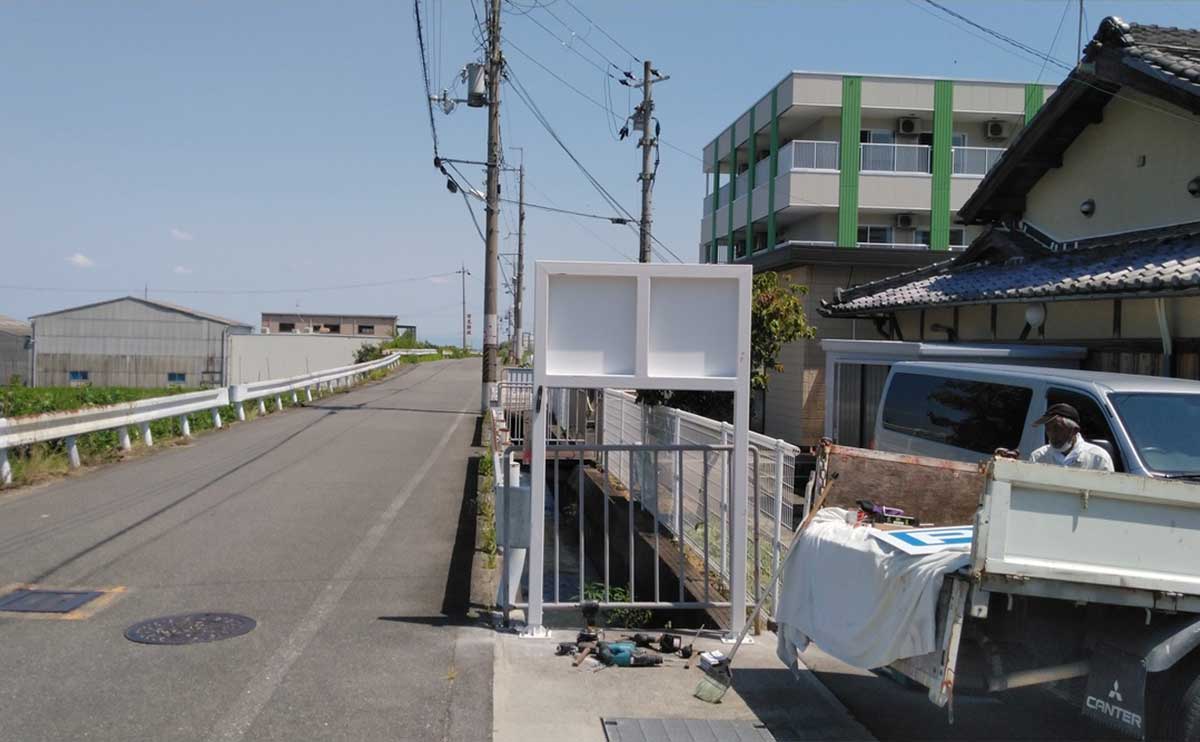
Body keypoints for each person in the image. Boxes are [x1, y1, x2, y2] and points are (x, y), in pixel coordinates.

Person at [1028, 403, 1114, 472]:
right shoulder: (1038, 457)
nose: (1051, 433)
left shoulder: (1098, 458)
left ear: (1074, 430)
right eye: (1048, 428)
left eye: (1057, 428)